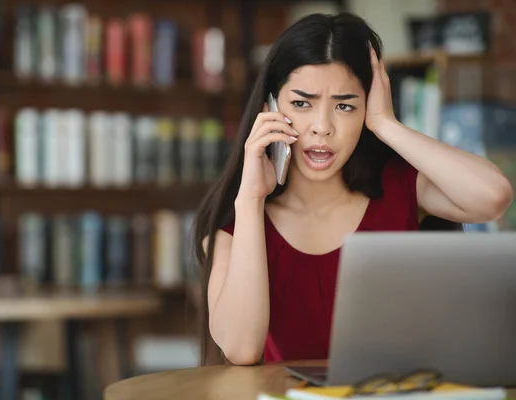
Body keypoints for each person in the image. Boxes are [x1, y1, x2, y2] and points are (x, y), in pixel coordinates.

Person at [192, 12, 514, 366]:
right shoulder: (235, 226)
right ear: (270, 107)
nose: (322, 127)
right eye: (302, 103)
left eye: (345, 106)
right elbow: (241, 348)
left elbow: (493, 196)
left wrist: (386, 124)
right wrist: (251, 199)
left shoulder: (398, 187)